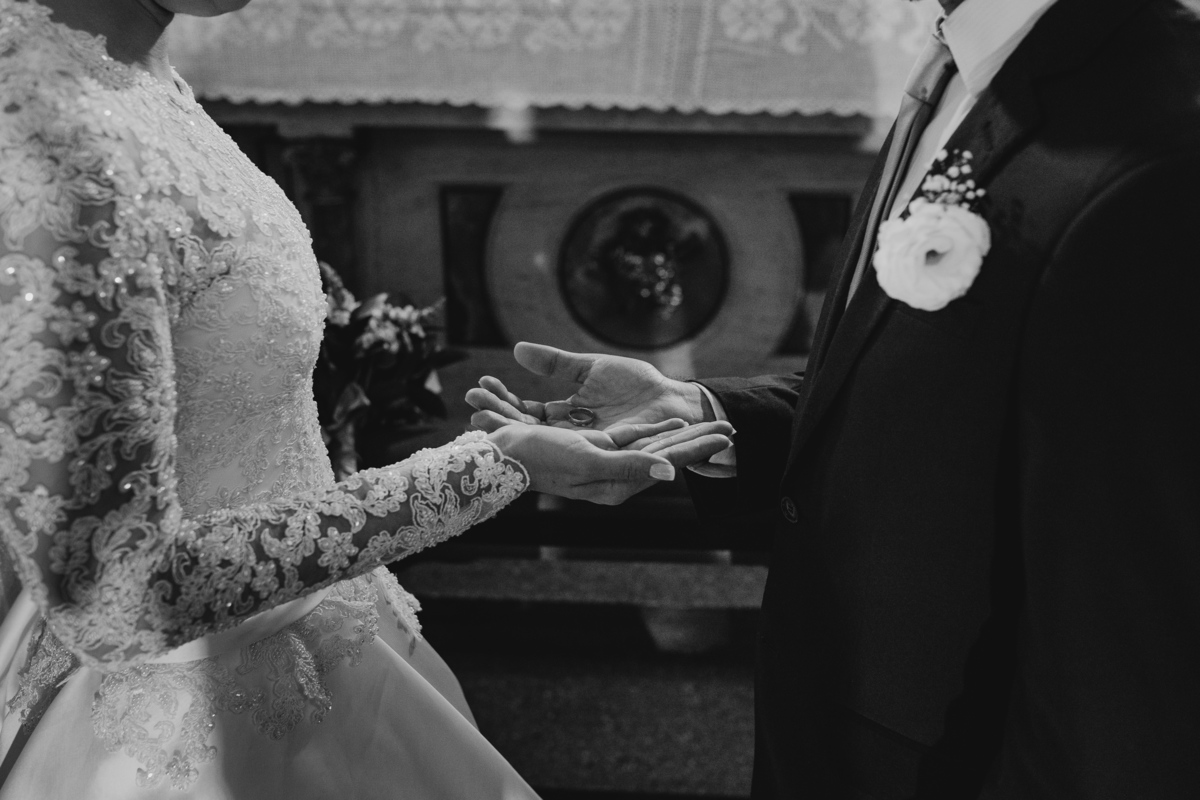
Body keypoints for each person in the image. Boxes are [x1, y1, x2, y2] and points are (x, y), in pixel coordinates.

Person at [0, 0, 734, 796]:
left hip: (318, 639)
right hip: (182, 724)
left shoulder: (132, 64)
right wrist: (487, 468)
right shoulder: (46, 125)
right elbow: (118, 592)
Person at [469, 0, 1200, 796]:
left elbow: (1121, 666)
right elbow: (957, 395)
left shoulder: (1158, 147)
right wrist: (716, 418)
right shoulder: (972, 63)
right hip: (840, 730)